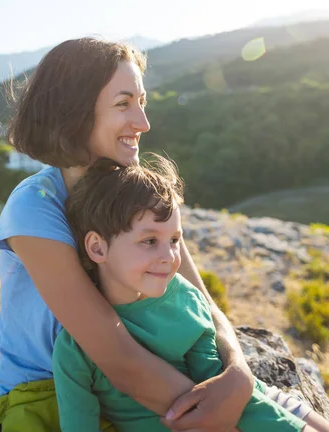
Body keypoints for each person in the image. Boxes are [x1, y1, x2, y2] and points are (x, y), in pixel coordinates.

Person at [0, 37, 258, 432]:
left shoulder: (133, 195)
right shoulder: (34, 207)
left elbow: (198, 300)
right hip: (55, 398)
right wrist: (233, 417)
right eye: (123, 104)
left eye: (142, 101)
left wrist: (238, 370)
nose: (143, 122)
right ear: (75, 114)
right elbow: (116, 356)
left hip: (148, 384)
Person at [53, 156, 329, 432]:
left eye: (174, 240)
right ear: (98, 248)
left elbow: (228, 398)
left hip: (245, 408)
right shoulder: (75, 347)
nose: (170, 257)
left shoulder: (183, 300)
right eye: (150, 241)